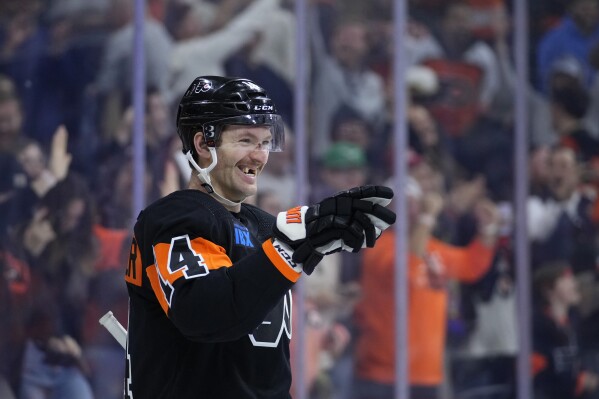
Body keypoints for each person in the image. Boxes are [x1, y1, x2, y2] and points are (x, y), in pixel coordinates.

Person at [123, 75, 396, 398]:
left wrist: (302, 244)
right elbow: (205, 314)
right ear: (202, 144)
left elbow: (263, 363)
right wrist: (288, 248)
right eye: (245, 140)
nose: (259, 155)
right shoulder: (176, 219)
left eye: (265, 142)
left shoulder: (265, 226)